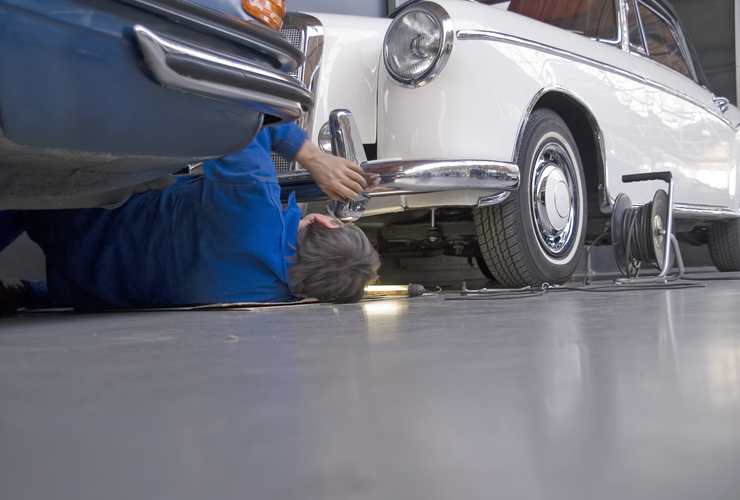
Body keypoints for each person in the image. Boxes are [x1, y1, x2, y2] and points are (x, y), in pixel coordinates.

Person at [0, 122, 380, 312]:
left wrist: (314, 158)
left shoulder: (252, 200)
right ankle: (22, 291)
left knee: (19, 189)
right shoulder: (259, 298)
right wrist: (32, 294)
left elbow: (240, 120)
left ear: (327, 222)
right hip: (76, 281)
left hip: (71, 207)